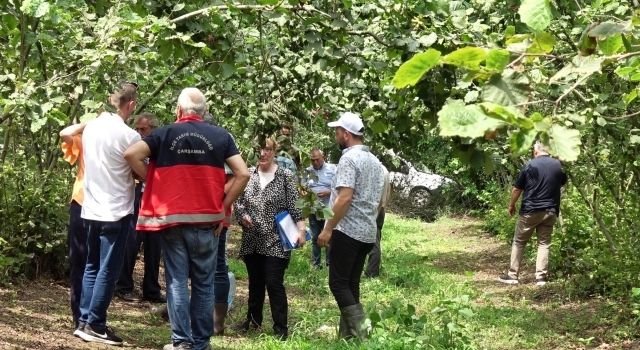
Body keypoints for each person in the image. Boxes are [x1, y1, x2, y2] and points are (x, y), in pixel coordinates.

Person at [124, 87, 249, 350]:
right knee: (204, 283)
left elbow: (131, 155)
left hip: (174, 220)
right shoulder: (221, 136)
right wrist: (223, 206)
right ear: (203, 113)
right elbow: (243, 174)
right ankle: (201, 343)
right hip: (207, 221)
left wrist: (154, 181)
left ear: (179, 110)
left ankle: (181, 342)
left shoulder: (164, 133)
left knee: (177, 281)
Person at [74, 82, 141, 345]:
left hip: (90, 208)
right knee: (108, 270)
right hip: (116, 211)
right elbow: (139, 170)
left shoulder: (91, 127)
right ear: (131, 104)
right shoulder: (129, 136)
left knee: (92, 265)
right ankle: (96, 324)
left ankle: (84, 320)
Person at [318, 111, 384, 340]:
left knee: (337, 283)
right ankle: (348, 337)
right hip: (367, 232)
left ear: (346, 134)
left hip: (348, 231)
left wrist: (327, 229)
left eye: (337, 131)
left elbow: (344, 197)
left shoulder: (348, 159)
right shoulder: (375, 161)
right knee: (350, 284)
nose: (335, 135)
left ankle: (363, 333)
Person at [234, 135, 307, 340]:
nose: (263, 153)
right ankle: (253, 321)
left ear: (274, 151)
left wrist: (301, 230)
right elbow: (238, 202)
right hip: (252, 239)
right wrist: (242, 216)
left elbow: (295, 207)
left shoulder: (284, 176)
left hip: (276, 240)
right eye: (259, 149)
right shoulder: (247, 174)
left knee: (273, 282)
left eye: (267, 149)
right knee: (255, 282)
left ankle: (281, 330)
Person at [499, 141, 567, 286]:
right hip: (550, 210)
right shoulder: (558, 165)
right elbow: (561, 182)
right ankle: (541, 278)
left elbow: (517, 189)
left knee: (519, 241)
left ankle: (512, 276)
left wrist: (511, 205)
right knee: (544, 243)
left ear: (535, 152)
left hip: (530, 210)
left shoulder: (529, 165)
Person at [116, 112, 164, 303]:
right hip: (137, 197)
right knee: (131, 243)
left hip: (157, 200)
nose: (139, 133)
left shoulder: (161, 146)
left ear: (153, 128)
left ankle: (151, 290)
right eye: (137, 129)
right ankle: (124, 286)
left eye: (143, 129)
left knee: (155, 245)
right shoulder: (133, 146)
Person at [59, 122, 87, 331]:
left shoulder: (118, 138)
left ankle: (91, 318)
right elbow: (65, 133)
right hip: (81, 202)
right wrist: (87, 124)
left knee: (96, 264)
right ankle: (79, 316)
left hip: (105, 208)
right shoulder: (84, 139)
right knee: (79, 261)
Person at [302, 147, 336, 269]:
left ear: (323, 158)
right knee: (315, 236)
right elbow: (302, 187)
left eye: (317, 160)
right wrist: (306, 193)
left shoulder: (333, 169)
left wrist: (328, 192)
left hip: (327, 208)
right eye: (312, 160)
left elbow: (339, 188)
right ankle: (316, 264)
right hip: (313, 208)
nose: (315, 162)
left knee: (328, 236)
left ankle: (329, 263)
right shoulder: (308, 171)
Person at [213, 165, 235, 336]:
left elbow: (236, 177)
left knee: (218, 267)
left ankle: (217, 323)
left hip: (215, 215)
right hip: (198, 213)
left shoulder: (223, 140)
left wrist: (214, 201)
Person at [364, 165, 391, 278]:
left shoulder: (375, 170)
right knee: (376, 237)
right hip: (381, 208)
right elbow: (388, 193)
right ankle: (372, 270)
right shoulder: (385, 170)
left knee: (373, 241)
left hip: (373, 209)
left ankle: (372, 272)